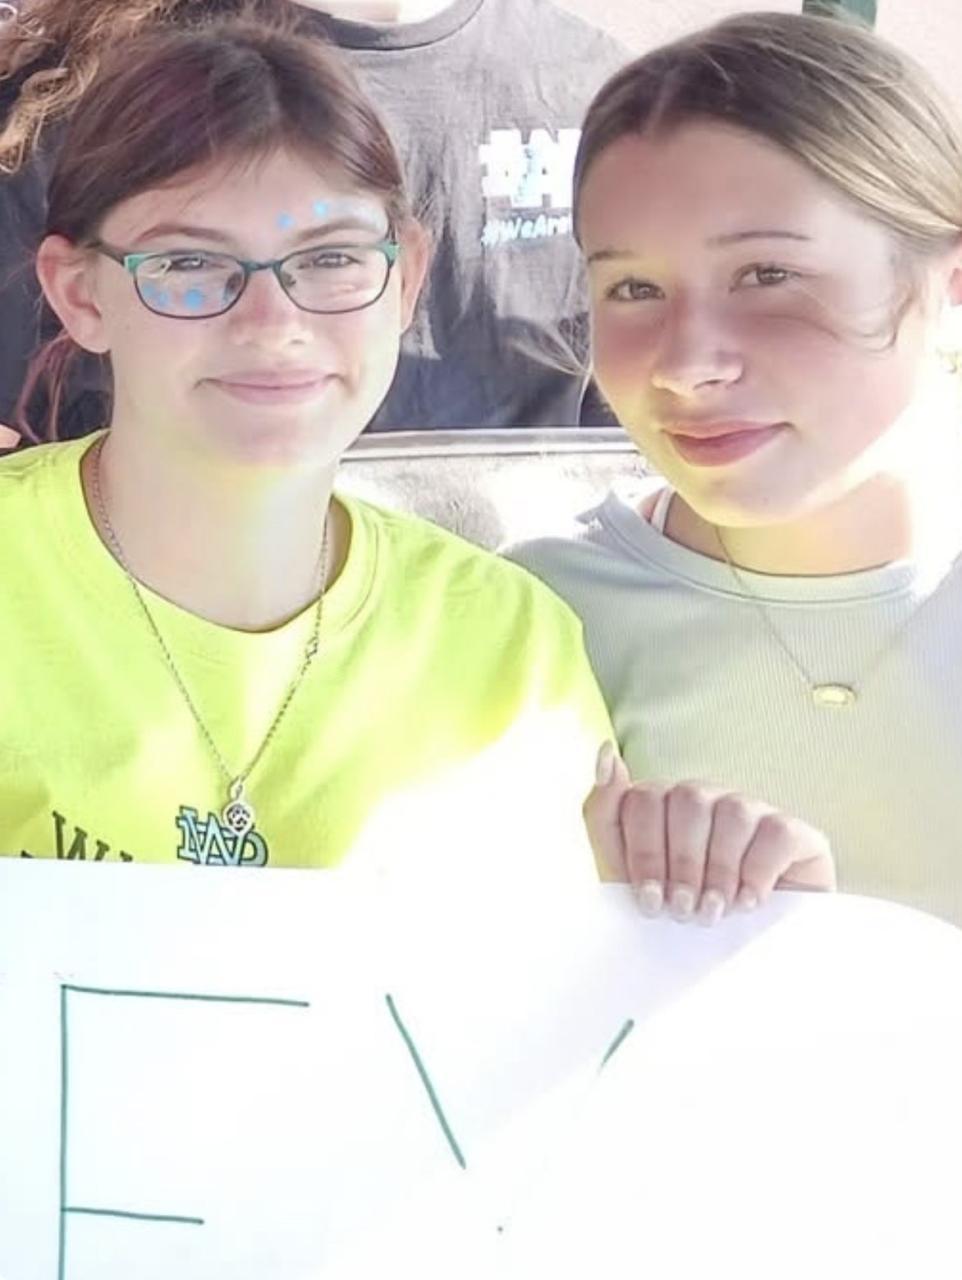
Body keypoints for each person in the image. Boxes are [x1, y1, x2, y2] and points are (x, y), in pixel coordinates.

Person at [0, 14, 832, 916]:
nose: (274, 325)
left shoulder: (509, 646)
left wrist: (716, 906)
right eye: (189, 263)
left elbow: (548, 971)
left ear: (404, 280)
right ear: (79, 295)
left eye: (330, 259)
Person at [510, 11, 962, 927]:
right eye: (633, 289)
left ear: (947, 287)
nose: (687, 364)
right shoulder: (535, 625)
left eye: (767, 276)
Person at [0, 0, 630, 438]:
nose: (274, 327)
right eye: (193, 260)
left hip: (514, 576)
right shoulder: (72, 96)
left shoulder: (598, 91)